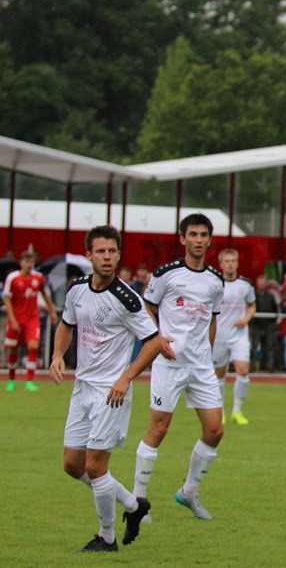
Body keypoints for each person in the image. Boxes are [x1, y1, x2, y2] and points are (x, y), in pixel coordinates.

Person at [50, 225, 171, 552]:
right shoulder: (76, 289)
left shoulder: (127, 297)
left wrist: (125, 378)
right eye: (101, 251)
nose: (107, 257)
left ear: (119, 255)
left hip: (111, 393)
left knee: (95, 466)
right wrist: (58, 355)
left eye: (112, 252)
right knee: (72, 465)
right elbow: (66, 324)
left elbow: (154, 341)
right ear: (88, 255)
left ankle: (106, 537)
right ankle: (133, 505)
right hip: (83, 387)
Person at [133, 213, 225, 521]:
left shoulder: (215, 280)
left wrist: (208, 356)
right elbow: (146, 307)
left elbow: (212, 318)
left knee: (214, 431)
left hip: (200, 367)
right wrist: (158, 338)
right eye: (193, 234)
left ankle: (188, 493)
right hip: (168, 363)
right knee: (158, 429)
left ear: (210, 240)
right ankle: (138, 500)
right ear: (182, 239)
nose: (199, 239)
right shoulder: (166, 274)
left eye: (204, 235)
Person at [211, 248, 256, 425]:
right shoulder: (215, 285)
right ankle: (220, 410)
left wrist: (245, 319)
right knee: (219, 373)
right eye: (227, 261)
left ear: (237, 263)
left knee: (243, 370)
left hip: (239, 335)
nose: (230, 264)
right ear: (221, 264)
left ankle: (237, 411)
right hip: (220, 335)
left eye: (233, 261)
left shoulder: (246, 285)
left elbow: (252, 305)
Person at [4, 251, 58, 391]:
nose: (29, 265)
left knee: (33, 346)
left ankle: (29, 381)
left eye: (31, 263)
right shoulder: (13, 278)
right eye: (27, 262)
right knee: (13, 349)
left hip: (32, 319)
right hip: (16, 318)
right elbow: (7, 299)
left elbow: (44, 294)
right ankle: (11, 379)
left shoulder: (38, 278)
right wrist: (12, 319)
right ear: (21, 262)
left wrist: (52, 311)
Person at [251, 276, 280, 372]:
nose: (261, 285)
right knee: (254, 345)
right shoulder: (253, 296)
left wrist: (272, 322)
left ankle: (269, 366)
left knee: (269, 345)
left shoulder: (270, 296)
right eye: (260, 283)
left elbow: (275, 310)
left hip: (269, 325)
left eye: (263, 283)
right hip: (256, 325)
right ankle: (253, 366)